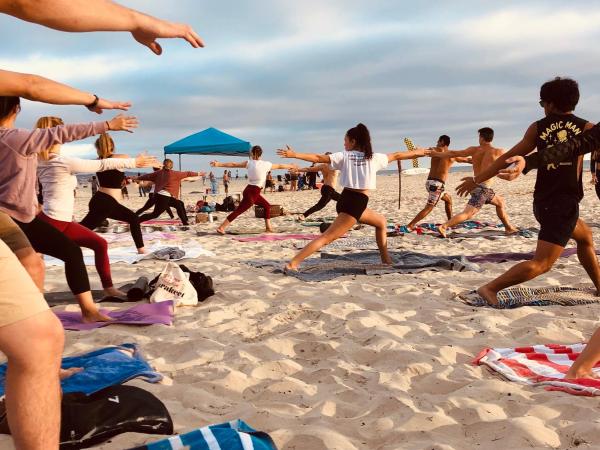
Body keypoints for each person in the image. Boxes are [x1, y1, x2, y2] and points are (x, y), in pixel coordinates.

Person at [455, 77, 600, 306]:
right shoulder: (587, 128)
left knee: (585, 237)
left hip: (543, 202)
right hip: (562, 204)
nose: (543, 107)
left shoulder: (538, 127)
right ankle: (490, 288)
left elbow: (505, 159)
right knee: (542, 263)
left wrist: (477, 179)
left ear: (550, 104)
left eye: (542, 102)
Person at [0, 96, 137, 323]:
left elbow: (26, 181)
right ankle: (46, 316)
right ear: (16, 108)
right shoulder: (17, 140)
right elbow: (68, 138)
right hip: (23, 217)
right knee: (50, 258)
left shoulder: (31, 153)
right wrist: (108, 126)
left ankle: (80, 309)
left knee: (43, 259)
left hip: (27, 215)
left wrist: (34, 202)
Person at [35, 115, 158, 298]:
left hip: (62, 220)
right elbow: (101, 164)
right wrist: (134, 162)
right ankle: (48, 298)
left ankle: (108, 289)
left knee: (99, 244)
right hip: (54, 221)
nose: (66, 136)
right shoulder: (61, 161)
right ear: (56, 135)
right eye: (62, 132)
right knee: (64, 256)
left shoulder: (40, 161)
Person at [277, 123, 427, 271]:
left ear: (354, 141)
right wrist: (421, 152)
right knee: (327, 238)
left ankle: (386, 261)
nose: (344, 143)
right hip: (355, 203)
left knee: (381, 222)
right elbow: (398, 155)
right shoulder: (374, 158)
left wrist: (295, 154)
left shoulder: (345, 156)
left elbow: (318, 157)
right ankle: (292, 264)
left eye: (345, 140)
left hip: (347, 199)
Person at [426, 128, 517, 238]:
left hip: (475, 186)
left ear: (482, 138)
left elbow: (454, 153)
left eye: (479, 137)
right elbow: (512, 163)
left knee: (500, 202)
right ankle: (444, 226)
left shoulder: (474, 150)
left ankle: (508, 227)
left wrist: (436, 154)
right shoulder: (498, 151)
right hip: (482, 189)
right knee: (468, 213)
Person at [79, 133, 148, 253]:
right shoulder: (121, 158)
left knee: (82, 228)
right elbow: (133, 163)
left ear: (97, 148)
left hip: (101, 200)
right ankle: (141, 249)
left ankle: (58, 240)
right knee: (133, 219)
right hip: (106, 203)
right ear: (112, 145)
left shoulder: (98, 162)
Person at [211, 146, 297, 234]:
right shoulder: (266, 164)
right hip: (253, 192)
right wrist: (291, 165)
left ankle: (268, 228)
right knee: (239, 211)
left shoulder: (249, 163)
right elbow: (280, 166)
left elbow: (233, 164)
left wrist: (219, 164)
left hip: (249, 190)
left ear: (252, 153)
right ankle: (221, 227)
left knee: (267, 206)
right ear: (261, 154)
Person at [406, 135, 471, 231]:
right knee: (429, 207)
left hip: (429, 183)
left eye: (438, 141)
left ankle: (450, 222)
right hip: (437, 185)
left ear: (442, 142)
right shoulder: (451, 155)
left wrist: (415, 150)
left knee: (448, 199)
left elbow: (420, 151)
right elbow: (468, 160)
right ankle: (411, 225)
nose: (436, 142)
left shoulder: (433, 150)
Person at [135, 160, 203, 226]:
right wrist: (199, 174)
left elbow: (147, 176)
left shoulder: (159, 173)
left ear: (164, 165)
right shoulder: (171, 173)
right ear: (171, 166)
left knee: (179, 204)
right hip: (162, 196)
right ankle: (137, 220)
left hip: (162, 195)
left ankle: (185, 222)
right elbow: (187, 173)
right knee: (155, 214)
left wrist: (137, 178)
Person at [296, 155, 341, 221]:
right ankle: (304, 215)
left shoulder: (322, 166)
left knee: (342, 200)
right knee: (320, 205)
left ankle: (344, 216)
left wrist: (298, 169)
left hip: (325, 188)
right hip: (329, 190)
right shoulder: (334, 166)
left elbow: (309, 169)